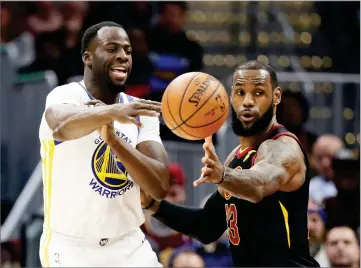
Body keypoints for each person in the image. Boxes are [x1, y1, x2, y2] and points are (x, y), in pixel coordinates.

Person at [142, 60, 320, 267]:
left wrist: (222, 176)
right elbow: (206, 227)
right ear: (230, 98)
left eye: (259, 93)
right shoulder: (236, 156)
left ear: (276, 97)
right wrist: (152, 204)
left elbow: (258, 185)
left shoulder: (284, 148)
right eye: (240, 92)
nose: (248, 101)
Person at [39, 21, 170, 267]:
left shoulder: (141, 111)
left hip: (128, 245)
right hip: (71, 248)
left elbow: (160, 186)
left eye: (128, 51)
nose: (122, 56)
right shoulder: (65, 95)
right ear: (88, 58)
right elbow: (61, 127)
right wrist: (112, 113)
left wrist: (115, 141)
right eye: (111, 49)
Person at [309, 134, 344, 204]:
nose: (325, 164)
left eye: (330, 157)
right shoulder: (309, 187)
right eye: (320, 158)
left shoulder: (349, 185)